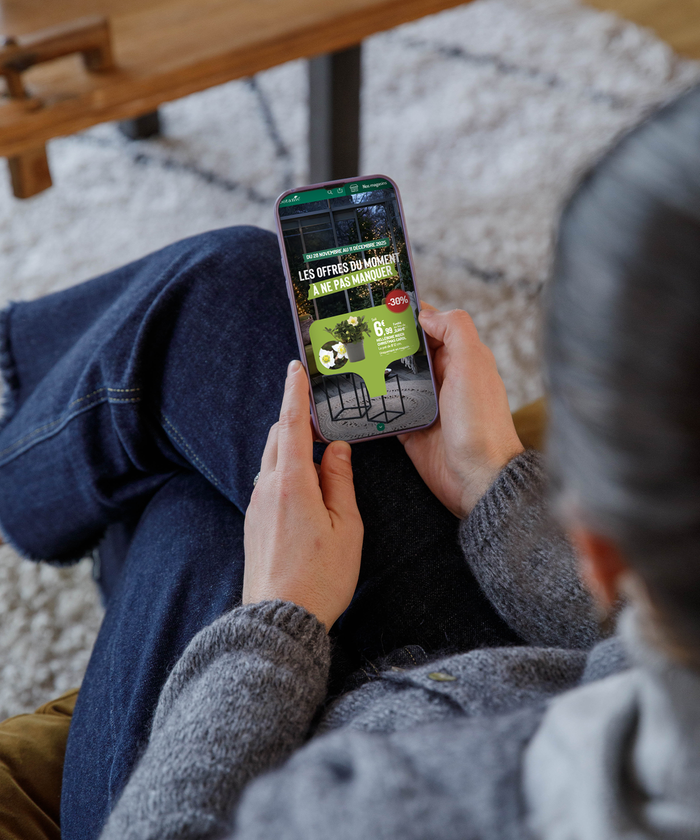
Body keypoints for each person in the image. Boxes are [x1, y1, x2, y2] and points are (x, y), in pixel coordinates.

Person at [2, 84, 700, 840]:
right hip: (516, 669)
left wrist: (279, 619)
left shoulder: (367, 815)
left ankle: (21, 458)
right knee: (243, 314)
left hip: (295, 755)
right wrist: (490, 482)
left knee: (201, 499)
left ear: (598, 550)